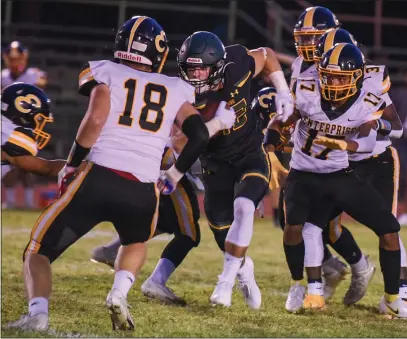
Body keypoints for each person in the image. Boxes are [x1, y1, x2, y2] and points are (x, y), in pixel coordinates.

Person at [7, 16, 235, 332]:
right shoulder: (175, 87)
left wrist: (73, 163)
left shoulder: (105, 71)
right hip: (142, 188)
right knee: (135, 240)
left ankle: (38, 315)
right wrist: (173, 175)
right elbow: (198, 135)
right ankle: (119, 292)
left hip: (98, 175)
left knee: (38, 250)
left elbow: (97, 117)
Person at [266, 43, 406, 317]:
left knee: (389, 229)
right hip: (304, 174)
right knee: (295, 228)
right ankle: (302, 287)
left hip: (340, 174)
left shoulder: (368, 97)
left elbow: (377, 135)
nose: (333, 82)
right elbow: (280, 121)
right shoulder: (306, 91)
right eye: (328, 75)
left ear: (356, 77)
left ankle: (393, 297)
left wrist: (346, 146)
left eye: (341, 76)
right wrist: (271, 149)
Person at [176, 31, 293, 308]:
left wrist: (284, 91)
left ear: (217, 66)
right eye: (190, 69)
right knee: (221, 232)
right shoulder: (181, 94)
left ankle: (224, 283)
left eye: (201, 68)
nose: (195, 76)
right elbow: (178, 141)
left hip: (250, 154)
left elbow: (267, 55)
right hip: (214, 165)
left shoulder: (236, 64)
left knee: (244, 206)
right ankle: (243, 270)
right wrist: (213, 127)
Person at [91, 125, 204, 305]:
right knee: (188, 234)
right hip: (169, 168)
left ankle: (112, 250)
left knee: (166, 222)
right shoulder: (198, 107)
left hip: (153, 162)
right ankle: (156, 281)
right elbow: (180, 139)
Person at [2, 41, 48, 209]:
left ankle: (29, 201)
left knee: (29, 163)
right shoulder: (3, 76)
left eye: (18, 58)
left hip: (28, 124)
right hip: (7, 125)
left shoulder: (33, 75)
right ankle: (11, 200)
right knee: (9, 163)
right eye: (11, 58)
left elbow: (41, 88)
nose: (15, 62)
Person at [1, 82, 64, 179]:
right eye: (39, 120)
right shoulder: (11, 136)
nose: (38, 126)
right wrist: (82, 166)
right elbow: (47, 168)